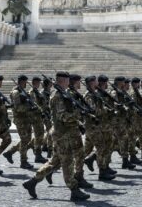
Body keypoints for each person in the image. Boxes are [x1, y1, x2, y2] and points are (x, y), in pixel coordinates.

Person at [23, 71, 90, 201]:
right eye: (66, 80)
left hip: (66, 133)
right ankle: (74, 189)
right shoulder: (58, 96)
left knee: (55, 161)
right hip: (62, 134)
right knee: (67, 161)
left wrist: (79, 119)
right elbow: (62, 116)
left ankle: (32, 182)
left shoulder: (65, 94)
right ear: (61, 81)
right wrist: (79, 115)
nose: (68, 82)